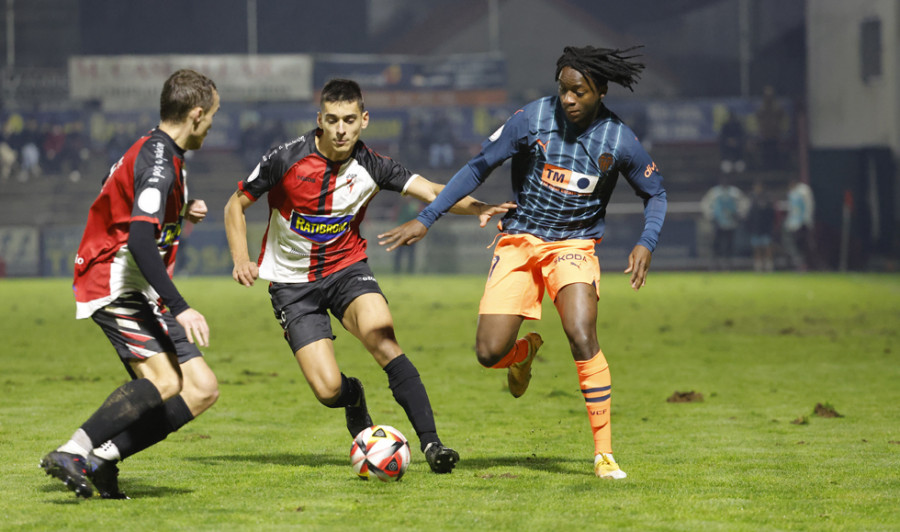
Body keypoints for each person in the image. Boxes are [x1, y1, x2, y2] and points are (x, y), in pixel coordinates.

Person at [379, 45, 667, 479]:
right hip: (519, 240)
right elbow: (477, 168)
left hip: (573, 245)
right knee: (488, 352)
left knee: (581, 333)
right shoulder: (531, 119)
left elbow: (656, 193)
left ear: (601, 92)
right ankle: (522, 353)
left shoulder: (619, 140)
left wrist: (646, 241)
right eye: (563, 89)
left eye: (579, 91)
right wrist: (427, 217)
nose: (569, 99)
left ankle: (604, 454)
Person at [223, 79, 513, 474]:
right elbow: (235, 204)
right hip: (292, 285)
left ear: (364, 120)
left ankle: (432, 445)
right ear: (319, 120)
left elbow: (431, 190)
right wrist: (241, 258)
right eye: (332, 120)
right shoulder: (286, 159)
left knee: (383, 336)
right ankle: (355, 396)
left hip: (347, 270)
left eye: (348, 120)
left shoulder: (374, 165)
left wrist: (479, 206)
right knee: (328, 390)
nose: (340, 129)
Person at [40, 69, 221, 499]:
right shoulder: (160, 162)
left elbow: (124, 197)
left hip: (140, 286)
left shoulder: (157, 151)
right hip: (114, 281)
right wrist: (182, 306)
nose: (213, 123)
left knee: (200, 389)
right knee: (164, 382)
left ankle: (104, 459)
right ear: (196, 115)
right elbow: (139, 238)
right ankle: (74, 451)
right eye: (212, 114)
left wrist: (180, 212)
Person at [700, 175, 749, 270]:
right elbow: (705, 203)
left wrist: (739, 214)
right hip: (718, 223)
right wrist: (711, 216)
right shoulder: (715, 192)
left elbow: (745, 203)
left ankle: (727, 264)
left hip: (731, 223)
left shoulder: (734, 192)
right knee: (716, 244)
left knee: (729, 244)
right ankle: (715, 264)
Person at [782, 178, 815, 271]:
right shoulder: (794, 193)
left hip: (801, 224)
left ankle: (803, 263)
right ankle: (799, 263)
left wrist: (806, 221)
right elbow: (793, 210)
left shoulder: (802, 192)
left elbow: (807, 207)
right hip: (796, 224)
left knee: (802, 246)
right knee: (793, 244)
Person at [746, 180, 776, 272]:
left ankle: (768, 265)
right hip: (756, 228)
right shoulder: (752, 199)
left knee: (767, 246)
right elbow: (749, 215)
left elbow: (772, 214)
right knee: (757, 248)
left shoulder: (767, 199)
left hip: (766, 228)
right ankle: (758, 266)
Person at [718, 109, 746, 173]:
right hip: (727, 159)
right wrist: (728, 142)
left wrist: (736, 142)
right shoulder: (725, 128)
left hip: (738, 159)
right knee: (726, 168)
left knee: (740, 168)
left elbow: (743, 138)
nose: (731, 119)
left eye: (732, 118)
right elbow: (722, 140)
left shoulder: (738, 127)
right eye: (730, 118)